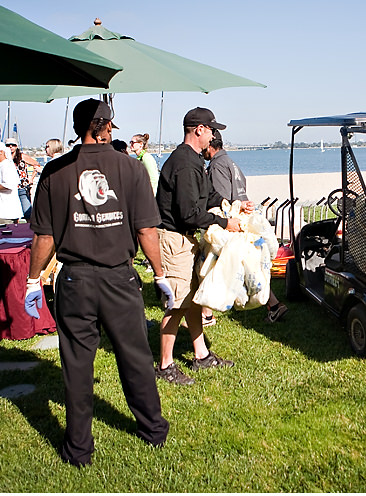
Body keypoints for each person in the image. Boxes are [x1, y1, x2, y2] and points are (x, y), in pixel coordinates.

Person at [26, 98, 171, 467]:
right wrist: (160, 274)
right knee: (135, 356)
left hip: (73, 279)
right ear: (104, 126)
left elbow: (44, 237)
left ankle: (78, 448)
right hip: (118, 277)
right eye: (110, 126)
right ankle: (153, 429)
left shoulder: (55, 171)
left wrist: (31, 280)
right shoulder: (131, 168)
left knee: (77, 363)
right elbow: (146, 229)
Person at [155, 107, 244, 385]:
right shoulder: (184, 163)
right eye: (212, 130)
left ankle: (201, 355)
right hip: (174, 238)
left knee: (193, 298)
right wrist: (223, 222)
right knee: (177, 303)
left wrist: (233, 207)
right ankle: (165, 365)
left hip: (185, 238)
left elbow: (208, 195)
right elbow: (189, 213)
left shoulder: (194, 161)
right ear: (199, 130)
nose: (214, 135)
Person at [204, 128, 288, 324]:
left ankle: (206, 313)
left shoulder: (216, 166)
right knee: (253, 267)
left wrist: (221, 222)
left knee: (212, 264)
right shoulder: (231, 162)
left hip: (233, 222)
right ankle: (274, 305)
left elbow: (221, 201)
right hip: (246, 219)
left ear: (210, 144)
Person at [6, 139, 41, 221]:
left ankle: (30, 231)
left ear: (16, 146)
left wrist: (31, 178)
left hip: (23, 187)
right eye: (8, 145)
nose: (10, 146)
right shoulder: (5, 158)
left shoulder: (22, 156)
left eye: (13, 145)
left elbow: (36, 164)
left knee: (28, 213)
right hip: (10, 188)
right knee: (13, 215)